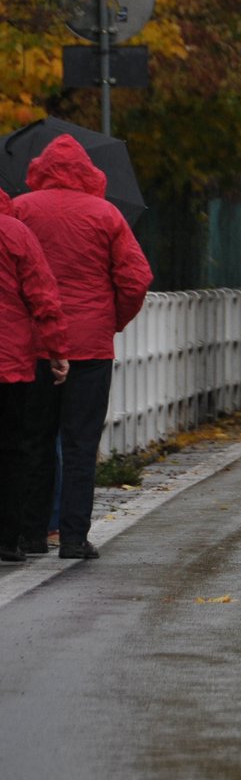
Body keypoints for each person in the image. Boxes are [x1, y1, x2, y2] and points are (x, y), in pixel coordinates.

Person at [15, 135, 153, 561]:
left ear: (41, 168)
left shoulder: (20, 211)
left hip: (34, 346)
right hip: (90, 350)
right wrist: (111, 321)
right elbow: (136, 279)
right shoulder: (106, 214)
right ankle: (74, 539)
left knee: (34, 441)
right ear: (87, 173)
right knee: (80, 443)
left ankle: (33, 535)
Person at [0, 187, 70, 563]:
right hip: (10, 361)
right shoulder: (15, 232)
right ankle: (10, 538)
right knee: (13, 448)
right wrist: (58, 350)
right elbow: (43, 295)